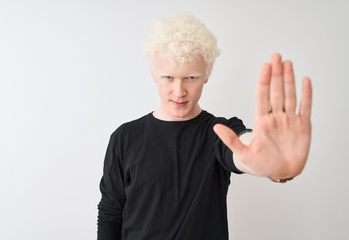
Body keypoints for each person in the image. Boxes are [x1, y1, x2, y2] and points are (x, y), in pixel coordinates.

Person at [97, 13, 312, 240]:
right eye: (168, 77)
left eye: (191, 77)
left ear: (207, 75)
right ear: (153, 74)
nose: (179, 91)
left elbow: (242, 147)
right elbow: (111, 211)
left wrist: (272, 164)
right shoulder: (125, 137)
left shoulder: (220, 132)